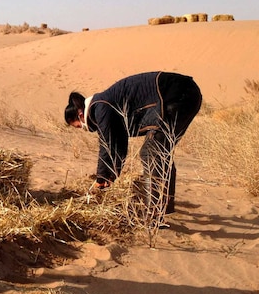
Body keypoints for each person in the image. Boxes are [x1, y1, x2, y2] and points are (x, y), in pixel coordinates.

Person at [64, 71, 202, 215]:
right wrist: (110, 176)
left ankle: (154, 213)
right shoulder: (102, 105)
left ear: (80, 115)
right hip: (185, 93)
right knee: (160, 151)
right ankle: (165, 207)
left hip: (176, 95)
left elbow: (107, 144)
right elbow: (118, 145)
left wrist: (101, 179)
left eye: (78, 126)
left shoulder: (100, 107)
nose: (83, 129)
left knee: (151, 153)